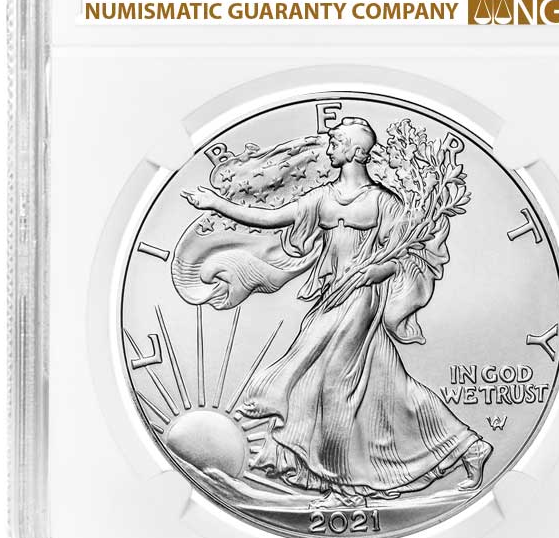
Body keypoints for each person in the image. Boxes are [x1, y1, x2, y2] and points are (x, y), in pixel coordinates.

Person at [183, 117, 492, 507]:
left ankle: (343, 488)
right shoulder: (322, 198)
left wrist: (379, 270)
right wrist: (216, 204)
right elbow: (270, 218)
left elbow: (407, 254)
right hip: (332, 295)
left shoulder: (383, 202)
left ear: (356, 152)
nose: (329, 146)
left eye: (337, 141)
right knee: (387, 386)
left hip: (362, 298)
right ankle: (468, 447)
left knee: (332, 386)